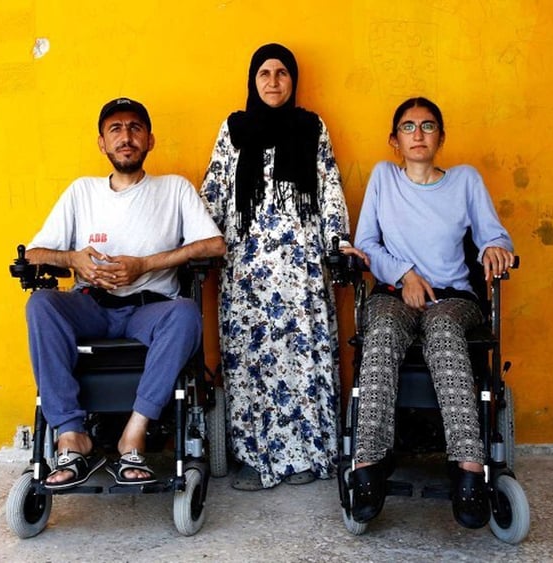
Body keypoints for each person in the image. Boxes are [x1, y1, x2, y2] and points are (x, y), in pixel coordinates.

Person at [24, 97, 225, 489]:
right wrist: (73, 259)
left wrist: (145, 265)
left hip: (149, 310)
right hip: (91, 305)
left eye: (135, 128)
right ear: (102, 143)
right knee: (41, 304)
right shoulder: (81, 192)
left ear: (150, 140)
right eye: (115, 129)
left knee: (186, 312)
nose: (126, 137)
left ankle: (134, 434)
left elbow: (215, 245)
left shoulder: (174, 189)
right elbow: (33, 254)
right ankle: (71, 434)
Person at [345, 97, 515, 528]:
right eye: (408, 127)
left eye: (427, 126)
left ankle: (469, 468)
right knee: (382, 330)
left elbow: (494, 234)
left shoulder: (465, 180)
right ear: (394, 140)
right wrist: (405, 275)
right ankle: (368, 464)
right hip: (393, 292)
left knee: (441, 328)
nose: (418, 134)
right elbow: (366, 246)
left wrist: (496, 247)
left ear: (441, 136)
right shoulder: (384, 178)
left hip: (453, 298)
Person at [200, 43, 352, 490]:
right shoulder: (234, 129)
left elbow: (329, 187)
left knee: (302, 359)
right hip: (246, 270)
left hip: (301, 267)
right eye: (264, 73)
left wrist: (338, 242)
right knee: (250, 360)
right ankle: (254, 458)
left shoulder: (311, 127)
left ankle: (305, 455)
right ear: (253, 80)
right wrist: (196, 242)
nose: (272, 81)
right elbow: (215, 189)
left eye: (281, 73)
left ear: (293, 80)